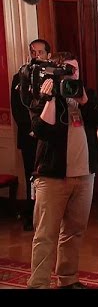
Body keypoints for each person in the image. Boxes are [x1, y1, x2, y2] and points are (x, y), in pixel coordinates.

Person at [27, 52, 98, 289]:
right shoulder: (41, 98)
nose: (72, 74)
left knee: (74, 231)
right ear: (55, 71)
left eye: (75, 70)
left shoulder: (88, 95)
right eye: (66, 69)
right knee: (45, 235)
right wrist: (51, 99)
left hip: (85, 176)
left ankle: (67, 279)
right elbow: (42, 131)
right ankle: (39, 284)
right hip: (52, 177)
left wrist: (84, 99)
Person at [10, 39, 51, 231]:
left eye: (40, 52)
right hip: (29, 136)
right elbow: (18, 110)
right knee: (31, 176)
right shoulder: (19, 78)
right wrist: (32, 129)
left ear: (48, 55)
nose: (36, 56)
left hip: (49, 137)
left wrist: (42, 128)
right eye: (33, 52)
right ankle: (31, 215)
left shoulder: (52, 77)